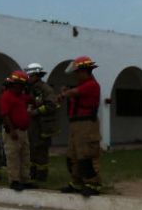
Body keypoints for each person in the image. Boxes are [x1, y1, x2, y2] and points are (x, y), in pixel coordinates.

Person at [57, 56, 103, 197]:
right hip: (76, 124)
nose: (76, 75)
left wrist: (64, 93)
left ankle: (93, 184)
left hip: (87, 124)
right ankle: (76, 183)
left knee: (86, 155)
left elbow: (73, 93)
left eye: (77, 72)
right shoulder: (82, 85)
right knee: (72, 155)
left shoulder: (92, 85)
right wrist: (66, 92)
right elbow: (73, 92)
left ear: (84, 71)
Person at [0, 70, 37, 191]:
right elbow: (5, 115)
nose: (23, 87)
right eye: (22, 85)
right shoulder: (6, 96)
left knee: (25, 156)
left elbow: (31, 100)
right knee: (13, 157)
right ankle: (14, 180)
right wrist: (12, 130)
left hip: (23, 131)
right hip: (13, 132)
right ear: (15, 84)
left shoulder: (21, 96)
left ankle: (25, 179)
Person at [24, 63, 61, 182]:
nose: (28, 78)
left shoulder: (46, 89)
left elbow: (52, 105)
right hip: (33, 125)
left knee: (41, 151)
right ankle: (33, 174)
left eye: (30, 75)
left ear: (37, 75)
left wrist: (35, 112)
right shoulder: (31, 88)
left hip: (43, 126)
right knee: (32, 150)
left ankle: (41, 176)